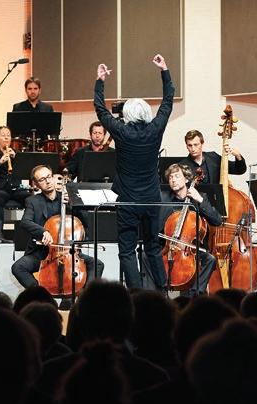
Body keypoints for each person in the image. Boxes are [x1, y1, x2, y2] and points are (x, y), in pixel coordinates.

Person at [95, 54, 175, 289]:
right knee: (152, 247)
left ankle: (137, 295)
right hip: (151, 199)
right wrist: (164, 70)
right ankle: (162, 291)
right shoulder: (155, 129)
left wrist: (100, 81)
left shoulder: (121, 131)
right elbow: (168, 102)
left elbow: (101, 111)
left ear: (127, 115)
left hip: (128, 201)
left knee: (127, 251)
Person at [11, 165, 103, 291]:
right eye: (42, 179)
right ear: (36, 184)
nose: (48, 181)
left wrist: (75, 204)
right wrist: (43, 231)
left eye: (49, 177)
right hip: (42, 254)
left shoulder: (67, 198)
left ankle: (85, 296)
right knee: (18, 267)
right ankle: (42, 295)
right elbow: (25, 222)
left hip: (68, 253)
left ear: (53, 177)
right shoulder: (32, 201)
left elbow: (86, 222)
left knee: (97, 264)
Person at [158, 163, 221, 296]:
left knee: (210, 259)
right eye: (170, 177)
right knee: (147, 256)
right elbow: (157, 226)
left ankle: (194, 295)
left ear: (187, 179)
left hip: (190, 249)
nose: (173, 180)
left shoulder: (199, 197)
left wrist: (200, 200)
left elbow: (217, 221)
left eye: (177, 176)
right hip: (168, 246)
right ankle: (159, 296)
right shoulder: (164, 198)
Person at [0, 125, 31, 239]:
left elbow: (26, 171)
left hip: (16, 189)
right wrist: (0, 162)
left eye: (8, 135)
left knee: (31, 199)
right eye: (3, 135)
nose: (6, 138)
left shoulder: (17, 154)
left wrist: (17, 158)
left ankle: (27, 232)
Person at [180, 129, 246, 186]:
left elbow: (239, 170)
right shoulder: (182, 166)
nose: (193, 149)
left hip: (215, 196)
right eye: (190, 145)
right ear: (186, 146)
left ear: (202, 143)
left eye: (196, 145)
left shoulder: (213, 158)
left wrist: (238, 155)